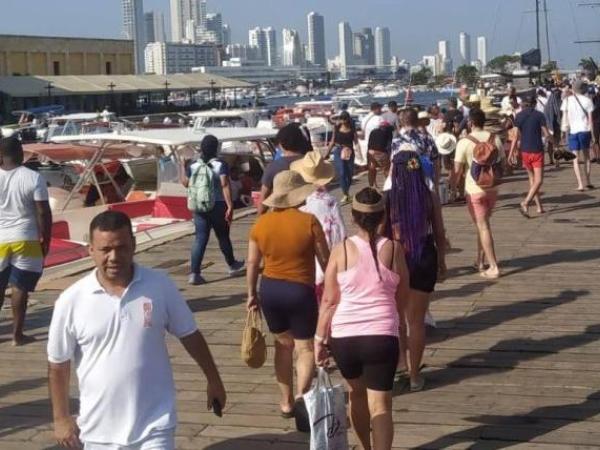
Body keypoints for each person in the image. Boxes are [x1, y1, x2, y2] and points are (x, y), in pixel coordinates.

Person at [47, 211, 226, 450]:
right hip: (98, 431)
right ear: (91, 250)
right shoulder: (71, 300)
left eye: (121, 248)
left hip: (155, 424)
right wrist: (61, 418)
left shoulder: (159, 285)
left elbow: (190, 334)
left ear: (133, 245)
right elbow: (58, 364)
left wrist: (214, 380)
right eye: (105, 249)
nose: (113, 257)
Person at [315, 188, 409, 450]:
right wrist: (397, 326)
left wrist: (319, 339)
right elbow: (402, 297)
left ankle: (365, 447)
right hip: (381, 335)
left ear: (354, 218)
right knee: (381, 405)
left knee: (356, 395)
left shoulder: (341, 250)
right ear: (383, 217)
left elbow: (329, 301)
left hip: (345, 338)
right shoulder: (393, 249)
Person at [246, 170, 330, 430]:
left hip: (270, 289)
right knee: (304, 349)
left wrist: (251, 293)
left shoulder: (260, 224)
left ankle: (285, 403)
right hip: (300, 291)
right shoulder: (309, 221)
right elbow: (325, 259)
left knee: (283, 346)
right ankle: (302, 397)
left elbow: (252, 262)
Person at [387, 150, 447, 392]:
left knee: (397, 318)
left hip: (397, 258)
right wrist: (442, 261)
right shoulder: (428, 196)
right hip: (423, 255)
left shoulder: (389, 198)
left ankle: (400, 365)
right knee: (417, 321)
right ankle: (414, 376)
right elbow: (440, 232)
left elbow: (383, 234)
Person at [0, 137, 52, 346]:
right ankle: (17, 335)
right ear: (20, 154)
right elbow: (43, 212)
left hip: (0, 239)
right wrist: (45, 239)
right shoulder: (33, 177)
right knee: (20, 288)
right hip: (26, 238)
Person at [179, 135, 245, 285]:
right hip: (218, 205)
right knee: (222, 236)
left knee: (200, 238)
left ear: (201, 147)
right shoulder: (220, 164)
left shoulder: (194, 164)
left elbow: (186, 184)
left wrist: (182, 166)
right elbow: (224, 184)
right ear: (216, 148)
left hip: (199, 206)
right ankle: (232, 265)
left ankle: (194, 274)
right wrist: (230, 206)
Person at [453, 108, 504, 279]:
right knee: (482, 225)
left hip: (474, 189)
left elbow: (457, 170)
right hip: (493, 188)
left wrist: (453, 187)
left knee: (483, 226)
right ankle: (480, 261)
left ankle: (494, 266)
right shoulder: (494, 138)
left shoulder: (464, 142)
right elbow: (502, 162)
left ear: (471, 123)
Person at [292, 151, 346, 295]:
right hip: (327, 249)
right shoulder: (330, 201)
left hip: (304, 251)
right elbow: (339, 231)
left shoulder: (299, 202)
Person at [510, 95, 552, 216]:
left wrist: (512, 152)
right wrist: (554, 142)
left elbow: (515, 136)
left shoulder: (519, 116)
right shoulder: (539, 115)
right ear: (534, 104)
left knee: (532, 180)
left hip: (524, 151)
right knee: (538, 181)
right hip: (537, 150)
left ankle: (539, 207)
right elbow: (546, 134)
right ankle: (526, 202)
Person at [259, 124, 308, 213]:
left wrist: (260, 219)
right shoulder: (312, 162)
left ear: (281, 144)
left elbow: (263, 199)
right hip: (310, 213)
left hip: (282, 215)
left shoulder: (274, 167)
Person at [562, 80, 595, 191]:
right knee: (587, 157)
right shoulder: (588, 101)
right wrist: (593, 135)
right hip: (585, 130)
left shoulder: (566, 101)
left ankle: (580, 184)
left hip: (572, 131)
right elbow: (591, 120)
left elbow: (564, 117)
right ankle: (588, 181)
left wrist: (564, 130)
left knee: (575, 158)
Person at [327, 111, 359, 203]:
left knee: (349, 174)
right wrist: (327, 152)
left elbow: (356, 141)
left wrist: (359, 152)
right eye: (342, 119)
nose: (343, 121)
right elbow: (332, 141)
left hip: (349, 151)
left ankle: (347, 193)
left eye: (345, 119)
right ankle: (345, 194)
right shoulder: (336, 127)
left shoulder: (352, 128)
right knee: (342, 172)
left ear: (348, 119)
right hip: (338, 150)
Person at [367, 123, 393, 188]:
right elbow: (389, 145)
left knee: (372, 168)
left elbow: (369, 143)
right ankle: (389, 186)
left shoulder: (373, 131)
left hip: (370, 152)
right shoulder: (388, 132)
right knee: (386, 169)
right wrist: (390, 156)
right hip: (381, 153)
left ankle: (371, 186)